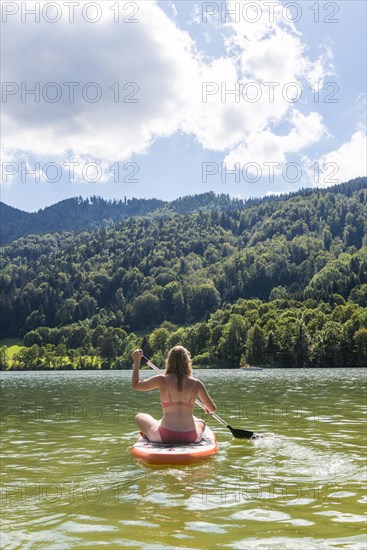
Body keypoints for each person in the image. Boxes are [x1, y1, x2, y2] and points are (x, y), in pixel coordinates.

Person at [132, 345, 216, 444]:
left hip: (165, 436)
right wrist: (208, 409)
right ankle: (153, 433)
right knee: (201, 422)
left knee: (139, 416)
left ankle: (149, 434)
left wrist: (137, 361)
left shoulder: (161, 380)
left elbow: (136, 384)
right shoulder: (197, 383)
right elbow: (212, 409)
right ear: (187, 362)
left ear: (169, 361)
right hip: (190, 436)